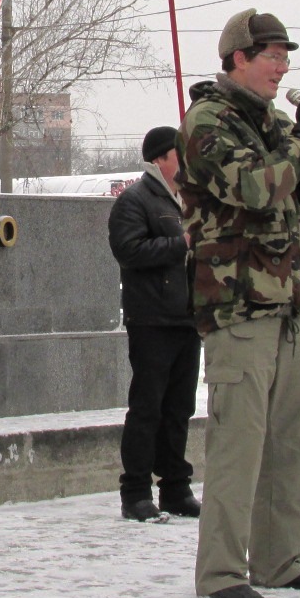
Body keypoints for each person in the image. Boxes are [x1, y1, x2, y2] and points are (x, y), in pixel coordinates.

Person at [178, 9, 300, 598]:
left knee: (292, 445)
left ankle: (280, 561)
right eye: (272, 55)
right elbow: (258, 188)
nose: (282, 67)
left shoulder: (277, 122)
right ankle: (224, 572)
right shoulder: (207, 121)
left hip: (289, 303)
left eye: (286, 56)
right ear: (237, 60)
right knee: (239, 446)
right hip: (238, 306)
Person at [108, 125, 201, 523]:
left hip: (187, 316)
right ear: (162, 158)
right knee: (147, 407)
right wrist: (182, 243)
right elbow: (128, 251)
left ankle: (176, 488)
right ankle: (136, 492)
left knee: (180, 407)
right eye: (181, 152)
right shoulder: (135, 200)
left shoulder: (191, 199)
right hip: (152, 318)